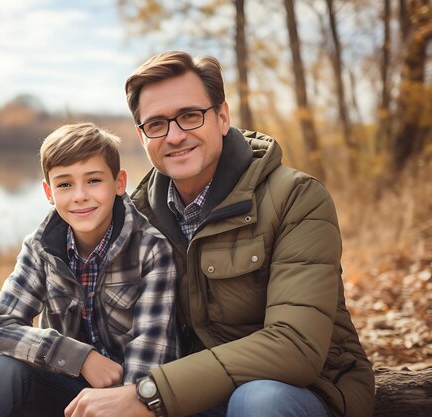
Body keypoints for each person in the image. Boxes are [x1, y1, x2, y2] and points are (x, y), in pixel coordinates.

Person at [65, 51, 375, 417]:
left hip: (300, 390)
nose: (175, 136)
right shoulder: (136, 216)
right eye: (156, 124)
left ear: (222, 116)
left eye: (190, 116)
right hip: (184, 394)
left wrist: (150, 393)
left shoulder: (297, 198)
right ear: (142, 136)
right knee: (17, 376)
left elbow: (296, 346)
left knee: (257, 400)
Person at [0, 122, 178, 417]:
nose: (79, 196)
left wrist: (124, 400)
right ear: (49, 192)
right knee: (2, 369)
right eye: (65, 184)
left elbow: (150, 359)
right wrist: (79, 357)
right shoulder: (41, 248)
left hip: (128, 399)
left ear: (119, 182)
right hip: (65, 389)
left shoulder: (151, 249)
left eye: (93, 180)